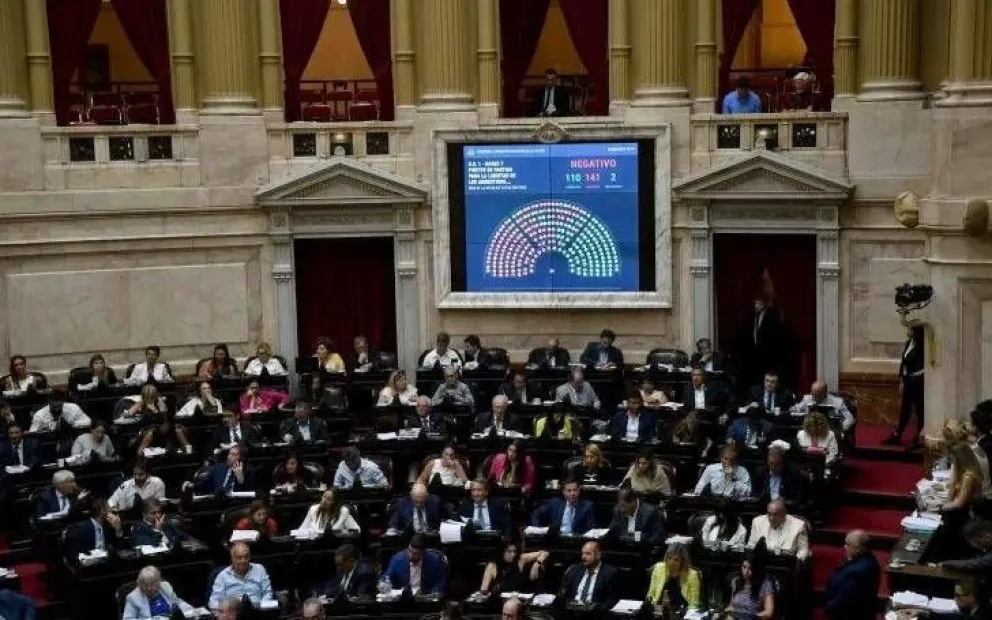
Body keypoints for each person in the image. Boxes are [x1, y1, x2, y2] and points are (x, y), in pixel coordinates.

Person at [824, 530, 880, 620]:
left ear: (857, 548)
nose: (844, 547)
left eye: (847, 544)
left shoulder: (857, 570)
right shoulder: (870, 560)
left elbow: (845, 599)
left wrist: (830, 607)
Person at [886, 318, 925, 447]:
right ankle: (898, 434)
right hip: (908, 380)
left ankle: (919, 436)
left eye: (911, 329)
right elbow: (903, 363)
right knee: (905, 409)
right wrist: (901, 379)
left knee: (920, 410)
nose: (909, 331)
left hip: (919, 382)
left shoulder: (923, 344)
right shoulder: (909, 343)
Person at [209, 543, 275, 610]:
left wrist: (262, 607)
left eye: (246, 557)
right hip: (233, 613)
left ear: (250, 557)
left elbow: (268, 593)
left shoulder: (260, 569)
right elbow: (213, 602)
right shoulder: (223, 575)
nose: (243, 561)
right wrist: (225, 610)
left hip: (257, 611)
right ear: (232, 559)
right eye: (239, 557)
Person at [381, 534, 447, 596]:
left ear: (423, 552)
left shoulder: (434, 560)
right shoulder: (397, 559)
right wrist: (384, 582)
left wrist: (433, 594)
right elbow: (387, 575)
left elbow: (440, 582)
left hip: (425, 598)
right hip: (404, 598)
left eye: (415, 553)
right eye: (409, 551)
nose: (411, 555)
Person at [559, 541, 618, 609]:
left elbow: (611, 599)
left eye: (588, 554)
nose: (583, 557)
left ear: (598, 555)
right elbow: (564, 593)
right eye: (582, 554)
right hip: (572, 611)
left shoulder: (609, 573)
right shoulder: (575, 569)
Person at [123, 565, 191, 620]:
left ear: (158, 582)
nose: (149, 588)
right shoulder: (133, 597)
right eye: (145, 585)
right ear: (140, 584)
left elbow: (177, 602)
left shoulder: (166, 587)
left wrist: (190, 610)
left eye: (152, 584)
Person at [646, 543, 701, 611]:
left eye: (676, 560)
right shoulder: (658, 568)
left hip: (681, 612)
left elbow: (694, 604)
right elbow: (651, 594)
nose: (671, 562)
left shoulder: (692, 575)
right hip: (658, 610)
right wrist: (650, 608)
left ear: (682, 561)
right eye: (669, 558)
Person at [531, 479, 595, 536]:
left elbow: (590, 527)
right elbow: (536, 513)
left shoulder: (587, 506)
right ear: (563, 492)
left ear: (579, 490)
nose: (572, 494)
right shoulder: (555, 503)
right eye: (569, 491)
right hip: (557, 538)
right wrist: (538, 528)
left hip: (576, 539)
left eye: (575, 490)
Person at [481, 543, 548, 595]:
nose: (513, 554)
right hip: (501, 598)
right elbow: (484, 590)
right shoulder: (492, 565)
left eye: (514, 551)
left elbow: (545, 552)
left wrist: (536, 564)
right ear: (502, 553)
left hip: (519, 595)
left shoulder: (521, 559)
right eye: (509, 552)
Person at [185, 445, 253, 494]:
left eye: (234, 455)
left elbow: (249, 495)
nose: (229, 457)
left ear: (242, 458)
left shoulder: (249, 471)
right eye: (229, 454)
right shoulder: (218, 468)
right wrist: (191, 484)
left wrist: (241, 481)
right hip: (218, 504)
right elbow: (205, 485)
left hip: (237, 506)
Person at [726, 553, 775, 620]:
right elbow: (731, 606)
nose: (746, 571)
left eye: (750, 568)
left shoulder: (766, 584)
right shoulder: (736, 581)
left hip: (754, 617)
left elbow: (769, 612)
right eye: (744, 567)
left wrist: (754, 617)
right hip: (735, 617)